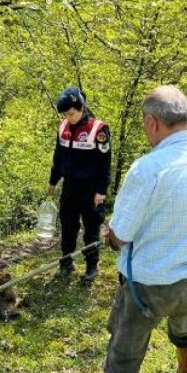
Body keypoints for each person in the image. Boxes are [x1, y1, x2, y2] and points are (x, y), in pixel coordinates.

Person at [101, 86, 187, 373]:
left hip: (151, 284)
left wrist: (111, 235)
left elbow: (122, 234)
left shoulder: (147, 168)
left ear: (152, 123)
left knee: (126, 340)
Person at [48, 86, 111, 283]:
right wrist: (53, 181)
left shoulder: (98, 129)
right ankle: (66, 262)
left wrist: (102, 190)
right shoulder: (63, 127)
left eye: (72, 113)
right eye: (66, 114)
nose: (69, 117)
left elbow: (105, 162)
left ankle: (91, 266)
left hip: (91, 188)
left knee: (91, 227)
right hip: (70, 187)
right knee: (68, 226)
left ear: (81, 108)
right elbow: (58, 157)